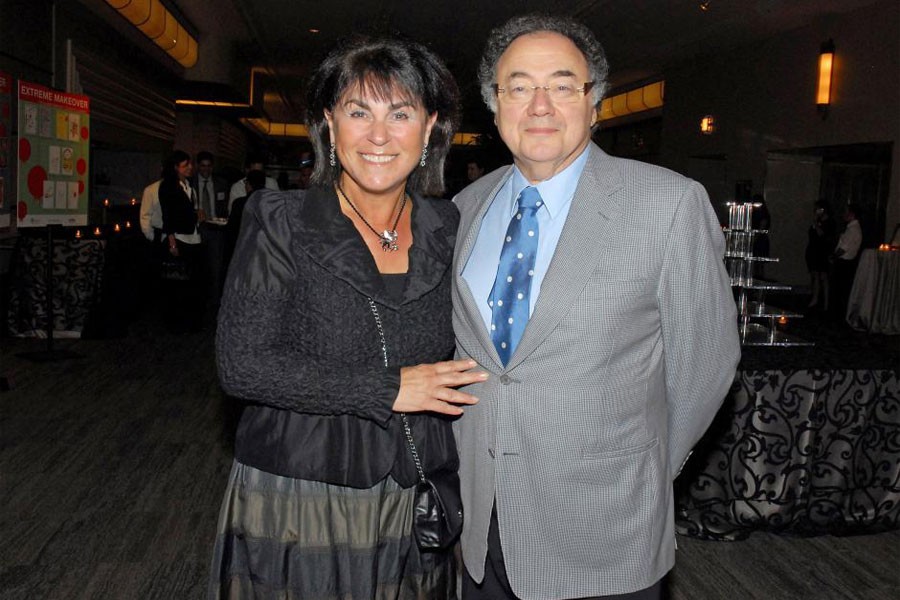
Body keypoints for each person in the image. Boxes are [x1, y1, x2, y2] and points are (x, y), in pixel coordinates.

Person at [451, 15, 741, 600]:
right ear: (494, 103)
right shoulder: (464, 208)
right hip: (482, 526)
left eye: (562, 85)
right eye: (519, 86)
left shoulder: (668, 204)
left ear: (594, 102)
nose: (540, 105)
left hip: (605, 527)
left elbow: (706, 367)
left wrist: (644, 470)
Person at [209, 35, 485, 599]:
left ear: (430, 127)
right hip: (302, 491)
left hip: (414, 486)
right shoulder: (280, 219)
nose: (378, 136)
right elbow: (241, 365)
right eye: (359, 112)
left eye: (400, 113)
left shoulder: (450, 226)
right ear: (330, 124)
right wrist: (388, 388)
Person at [158, 150, 205, 333]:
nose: (190, 168)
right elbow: (168, 216)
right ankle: (176, 323)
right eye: (186, 165)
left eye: (189, 164)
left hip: (193, 237)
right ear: (176, 167)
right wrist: (171, 242)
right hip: (179, 238)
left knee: (191, 283)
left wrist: (196, 215)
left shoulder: (188, 186)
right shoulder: (168, 187)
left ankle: (189, 321)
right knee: (177, 284)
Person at [222, 168, 265, 267]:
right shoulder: (270, 204)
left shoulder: (240, 203)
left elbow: (232, 230)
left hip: (242, 248)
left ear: (249, 184)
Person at [831, 203, 863, 320]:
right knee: (839, 290)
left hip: (844, 263)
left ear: (851, 214)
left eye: (846, 212)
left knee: (840, 290)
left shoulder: (853, 230)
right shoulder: (851, 228)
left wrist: (833, 257)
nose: (843, 215)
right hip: (845, 263)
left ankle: (838, 316)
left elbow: (843, 248)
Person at [805, 200, 836, 310]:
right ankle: (815, 298)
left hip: (822, 252)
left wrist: (816, 224)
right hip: (813, 251)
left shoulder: (830, 222)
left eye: (817, 209)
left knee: (824, 277)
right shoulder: (818, 221)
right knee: (815, 276)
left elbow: (823, 235)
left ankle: (826, 303)